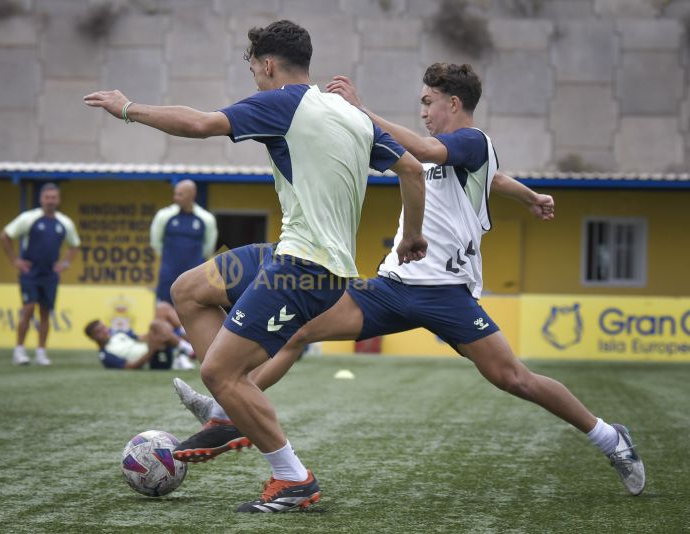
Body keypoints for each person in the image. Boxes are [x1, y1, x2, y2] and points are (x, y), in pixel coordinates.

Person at [172, 63, 646, 498]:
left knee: (513, 378)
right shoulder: (465, 159)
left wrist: (362, 111)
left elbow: (425, 153)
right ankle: (228, 414)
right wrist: (529, 196)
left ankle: (609, 436)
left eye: (427, 102)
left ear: (452, 104)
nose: (423, 111)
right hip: (391, 286)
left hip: (446, 294)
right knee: (301, 326)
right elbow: (495, 180)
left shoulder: (473, 141)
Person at [84, 19, 428, 513]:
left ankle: (292, 479)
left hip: (307, 267)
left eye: (252, 67)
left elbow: (201, 124)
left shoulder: (283, 101)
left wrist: (128, 109)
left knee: (219, 370)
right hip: (297, 255)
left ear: (267, 64)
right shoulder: (351, 114)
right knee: (188, 290)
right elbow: (412, 169)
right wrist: (413, 234)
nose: (254, 78)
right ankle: (227, 411)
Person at [0, 183, 80, 366]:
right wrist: (15, 260)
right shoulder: (29, 218)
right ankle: (19, 350)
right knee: (28, 309)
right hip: (30, 273)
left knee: (45, 313)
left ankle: (41, 352)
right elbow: (4, 235)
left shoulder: (64, 222)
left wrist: (64, 263)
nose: (50, 201)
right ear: (41, 199)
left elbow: (74, 245)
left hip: (50, 275)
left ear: (58, 200)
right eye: (47, 197)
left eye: (54, 197)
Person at [150, 179, 218, 306]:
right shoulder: (163, 216)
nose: (175, 197)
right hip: (168, 277)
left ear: (192, 194)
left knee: (192, 312)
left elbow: (208, 248)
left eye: (180, 194)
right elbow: (156, 243)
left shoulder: (206, 219)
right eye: (175, 193)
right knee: (163, 315)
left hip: (194, 279)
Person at [84, 317, 195, 370]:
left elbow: (141, 338)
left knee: (161, 314)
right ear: (93, 338)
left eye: (104, 327)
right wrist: (152, 349)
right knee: (157, 324)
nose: (104, 331)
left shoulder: (118, 335)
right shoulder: (105, 355)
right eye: (99, 331)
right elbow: (130, 367)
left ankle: (184, 353)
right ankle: (186, 351)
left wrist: (155, 336)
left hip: (154, 348)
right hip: (151, 361)